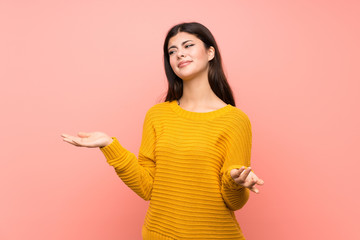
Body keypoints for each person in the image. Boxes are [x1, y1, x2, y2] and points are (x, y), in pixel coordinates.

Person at [61, 22, 264, 240]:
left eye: (188, 46)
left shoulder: (235, 120)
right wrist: (109, 145)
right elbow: (148, 187)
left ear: (210, 52)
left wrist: (235, 183)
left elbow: (234, 202)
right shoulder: (157, 115)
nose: (180, 54)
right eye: (172, 51)